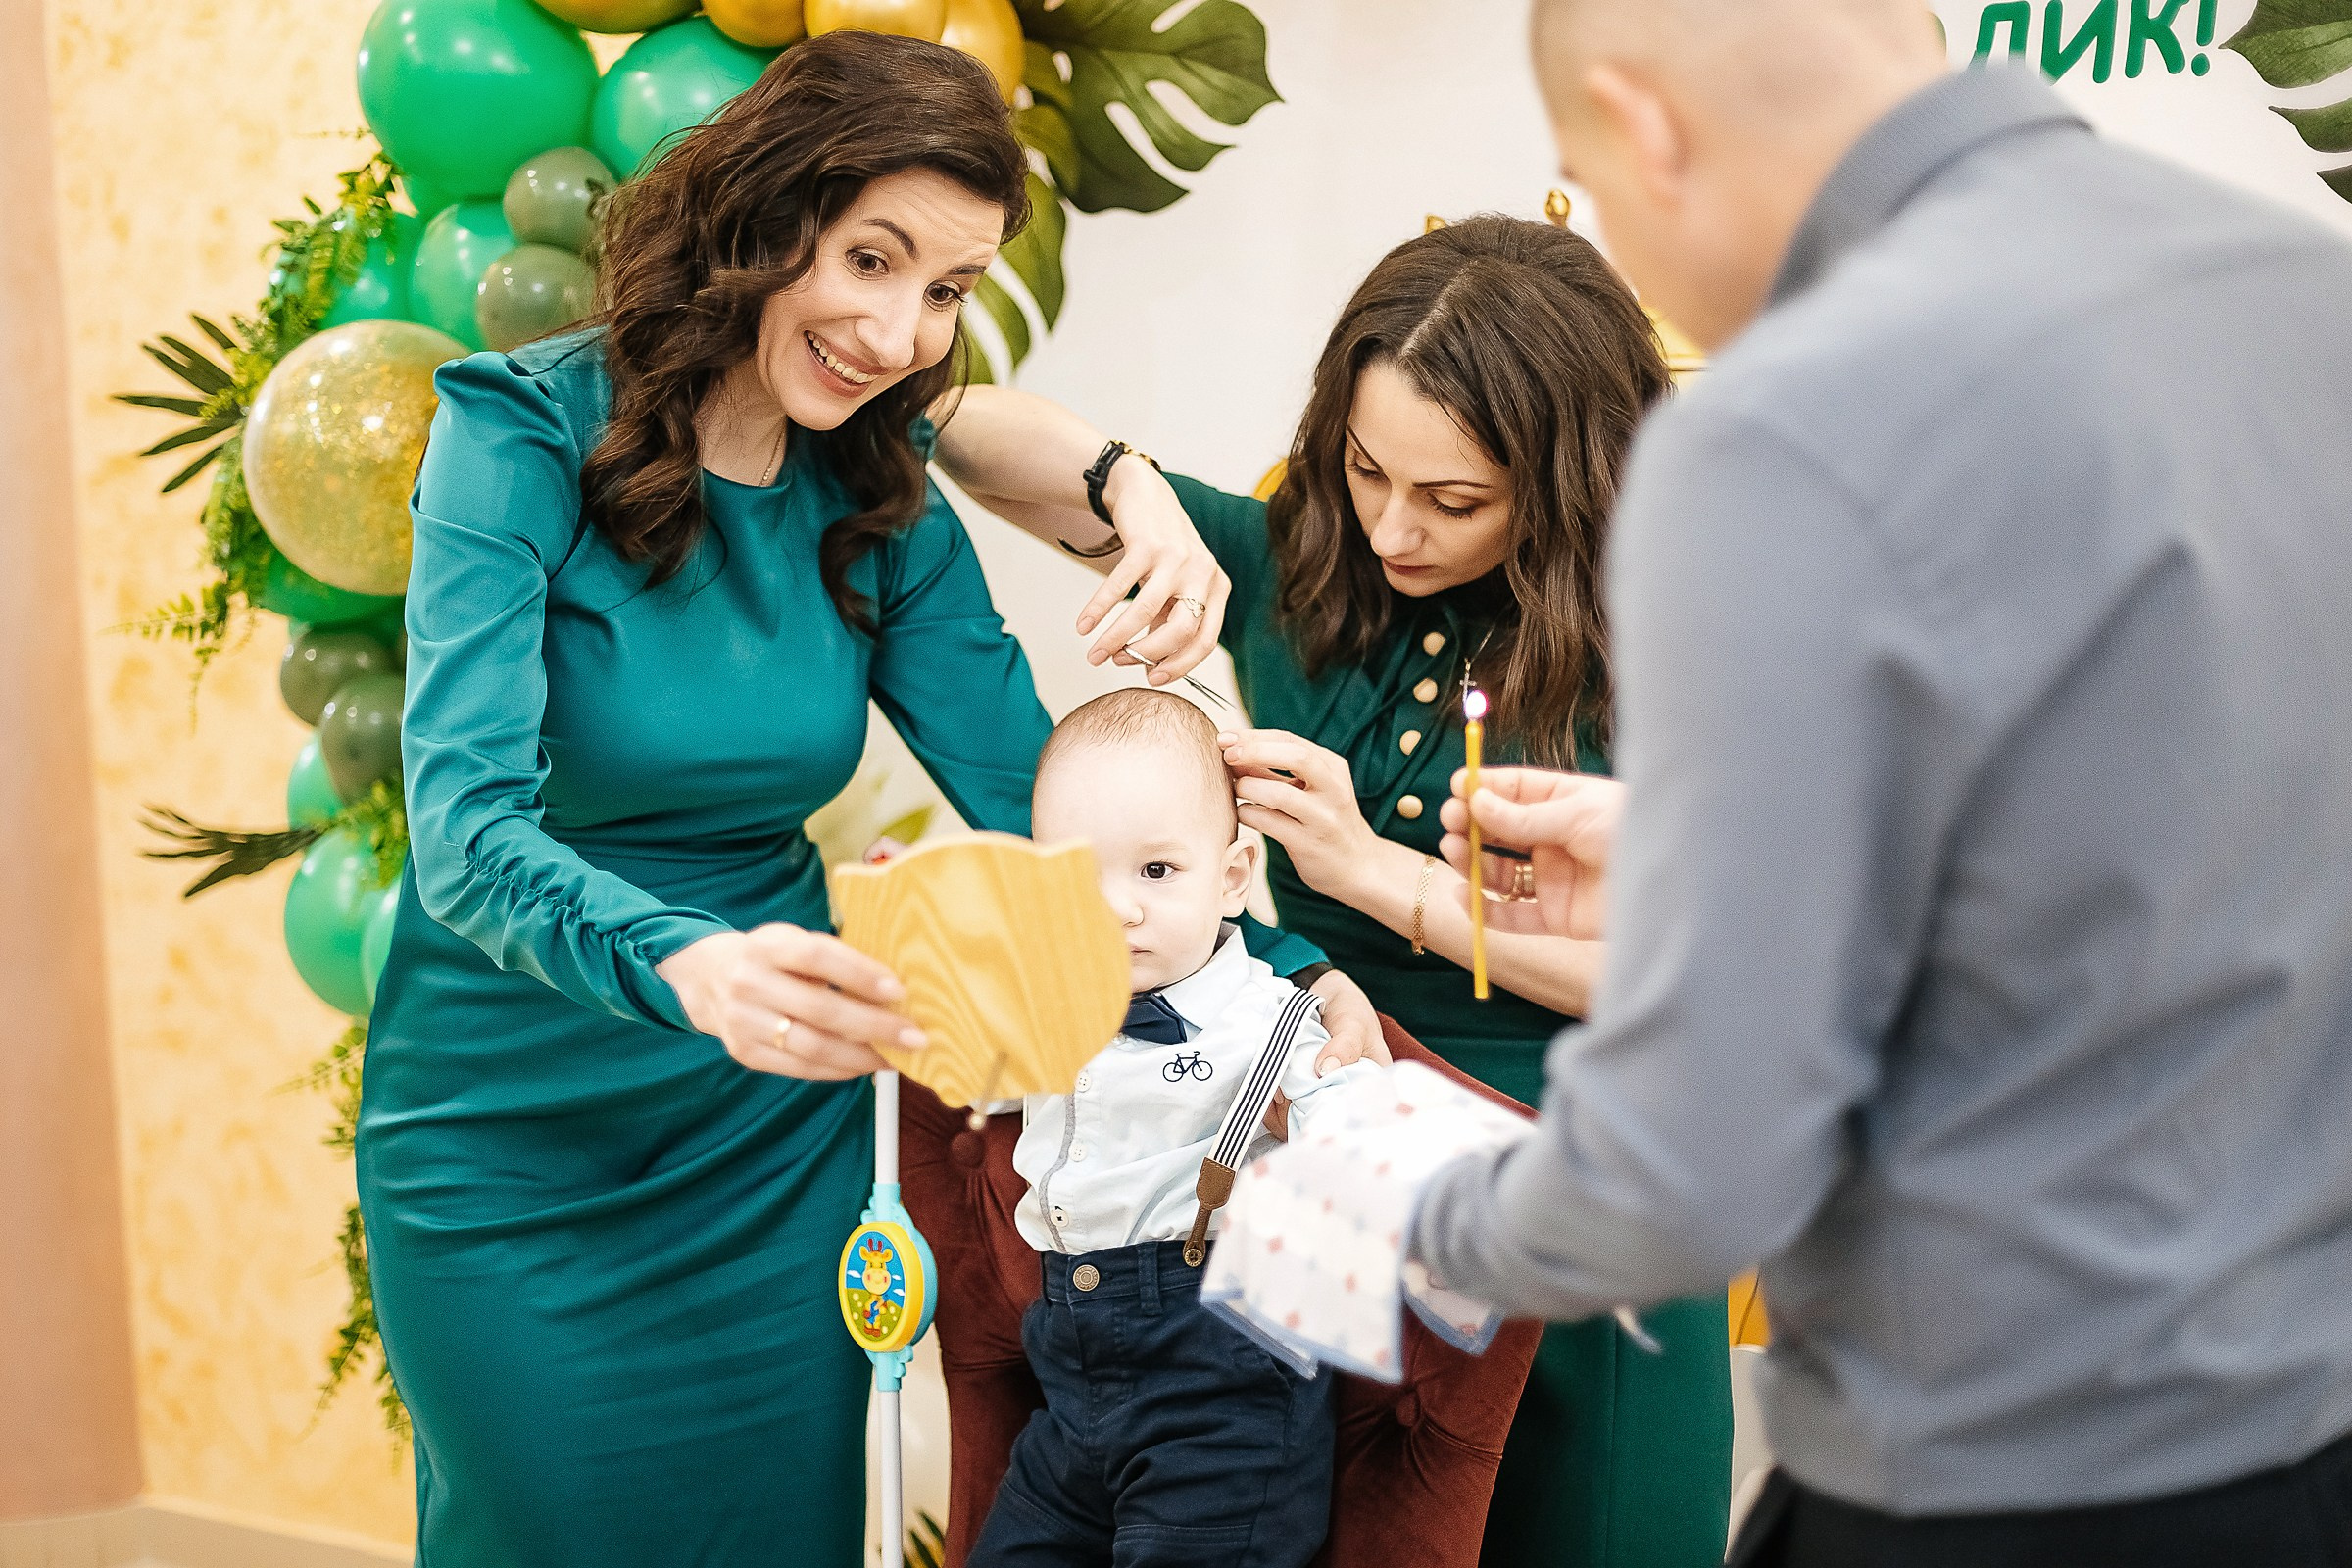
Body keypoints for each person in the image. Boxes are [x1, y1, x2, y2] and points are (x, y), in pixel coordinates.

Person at [356, 35, 1371, 1566]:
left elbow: (1046, 806)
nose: (900, 330)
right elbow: (469, 838)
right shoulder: (516, 438)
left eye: (950, 288)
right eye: (870, 258)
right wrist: (684, 961)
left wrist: (1286, 976)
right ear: (762, 219)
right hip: (513, 1133)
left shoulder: (874, 485)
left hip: (767, 1130)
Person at [1411, 2, 2352, 1564]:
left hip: (1998, 1496)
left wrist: (1403, 1212)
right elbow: (2177, 823)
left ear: (1643, 131)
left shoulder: (1782, 433)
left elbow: (1691, 1180)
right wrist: (1700, 855)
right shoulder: (2311, 298)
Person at [933, 216, 1734, 1568]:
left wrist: (1379, 881)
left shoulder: (1690, 631)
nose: (1392, 526)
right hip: (1317, 1199)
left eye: (1456, 500)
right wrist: (1137, 497)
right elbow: (955, 426)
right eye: (1366, 469)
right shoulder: (1302, 562)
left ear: (1573, 481)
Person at [969, 689, 1373, 1568]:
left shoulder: (1267, 1019)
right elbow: (966, 1064)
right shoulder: (1051, 1010)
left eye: (1156, 871)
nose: (1118, 909)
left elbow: (1357, 1128)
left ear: (1231, 877)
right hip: (1070, 1379)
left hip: (1220, 1387)